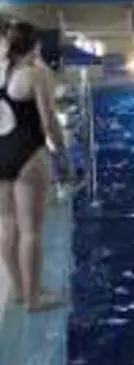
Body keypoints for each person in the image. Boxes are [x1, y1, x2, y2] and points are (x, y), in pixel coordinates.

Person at [0, 20, 72, 313]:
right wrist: (63, 155)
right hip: (29, 154)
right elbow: (49, 121)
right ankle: (34, 299)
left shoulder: (2, 71)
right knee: (31, 231)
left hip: (1, 151)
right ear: (36, 45)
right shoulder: (36, 74)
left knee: (7, 226)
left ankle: (21, 289)